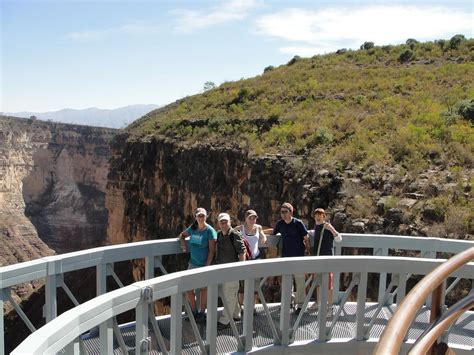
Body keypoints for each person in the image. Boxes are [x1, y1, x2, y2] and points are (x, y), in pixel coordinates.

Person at [178, 207, 217, 323]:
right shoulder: (193, 227)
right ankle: (194, 311)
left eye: (202, 216)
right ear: (195, 217)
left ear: (206, 217)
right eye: (198, 215)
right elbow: (182, 235)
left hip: (204, 264)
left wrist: (207, 266)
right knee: (188, 288)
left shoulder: (210, 231)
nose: (200, 218)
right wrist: (183, 244)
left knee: (203, 289)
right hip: (192, 263)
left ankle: (202, 313)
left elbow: (211, 251)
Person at [272, 202, 310, 315]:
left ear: (291, 212)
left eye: (285, 212)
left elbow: (306, 237)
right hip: (285, 257)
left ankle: (301, 305)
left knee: (300, 281)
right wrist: (259, 232)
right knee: (286, 281)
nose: (282, 214)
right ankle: (289, 302)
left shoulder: (298, 223)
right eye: (281, 212)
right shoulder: (280, 224)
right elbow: (273, 232)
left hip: (298, 257)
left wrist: (308, 251)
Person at [215, 212, 246, 329]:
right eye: (221, 222)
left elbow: (242, 251)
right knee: (227, 293)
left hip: (232, 270)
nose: (223, 224)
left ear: (229, 222)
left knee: (229, 294)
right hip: (221, 270)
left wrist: (240, 268)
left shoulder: (234, 234)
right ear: (218, 223)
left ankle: (225, 321)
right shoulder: (219, 235)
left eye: (225, 221)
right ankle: (236, 314)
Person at [308, 208, 342, 317]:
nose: (318, 217)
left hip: (327, 260)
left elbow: (339, 239)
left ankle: (330, 307)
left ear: (324, 216)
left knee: (328, 285)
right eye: (316, 215)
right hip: (317, 259)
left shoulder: (327, 227)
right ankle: (319, 302)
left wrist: (332, 229)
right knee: (317, 282)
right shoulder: (316, 227)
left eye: (320, 215)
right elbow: (312, 233)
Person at [236, 209, 267, 309]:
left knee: (254, 285)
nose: (253, 220)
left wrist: (264, 238)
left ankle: (252, 308)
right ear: (246, 218)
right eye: (250, 218)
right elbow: (230, 232)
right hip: (245, 260)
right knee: (242, 286)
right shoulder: (241, 228)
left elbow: (262, 234)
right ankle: (241, 307)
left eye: (254, 218)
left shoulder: (258, 228)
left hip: (255, 259)